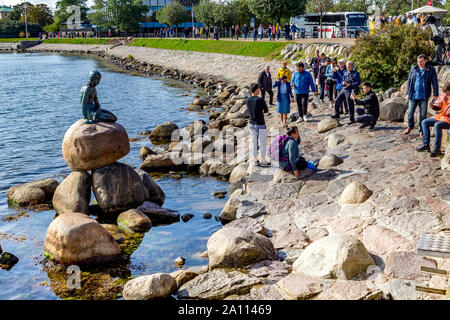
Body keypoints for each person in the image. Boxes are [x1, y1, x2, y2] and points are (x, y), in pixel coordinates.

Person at [404, 54, 439, 136]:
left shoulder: (430, 69)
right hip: (413, 95)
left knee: (423, 115)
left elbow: (434, 82)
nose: (419, 63)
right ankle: (410, 126)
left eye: (421, 61)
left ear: (425, 61)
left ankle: (421, 130)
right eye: (418, 61)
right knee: (410, 112)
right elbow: (409, 81)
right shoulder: (414, 69)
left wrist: (436, 94)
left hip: (424, 96)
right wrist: (407, 93)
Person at [416, 82, 450, 157]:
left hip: (448, 120)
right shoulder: (444, 96)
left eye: (448, 93)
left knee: (437, 125)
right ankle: (426, 145)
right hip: (442, 117)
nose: (446, 95)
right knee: (424, 122)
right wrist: (433, 106)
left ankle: (437, 149)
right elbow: (439, 107)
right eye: (445, 93)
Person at [247, 83, 271, 167]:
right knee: (263, 142)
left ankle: (254, 159)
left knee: (254, 142)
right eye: (259, 89)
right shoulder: (260, 100)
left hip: (251, 123)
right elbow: (266, 110)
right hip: (260, 123)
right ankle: (263, 160)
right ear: (256, 90)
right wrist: (261, 111)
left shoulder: (248, 100)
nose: (260, 90)